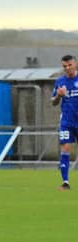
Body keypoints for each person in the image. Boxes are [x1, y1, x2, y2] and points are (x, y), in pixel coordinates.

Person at [51, 54, 78, 190]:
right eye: (64, 66)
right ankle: (65, 182)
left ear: (75, 64)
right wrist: (58, 95)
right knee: (65, 148)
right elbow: (53, 102)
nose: (67, 68)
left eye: (69, 65)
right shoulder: (60, 82)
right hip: (67, 121)